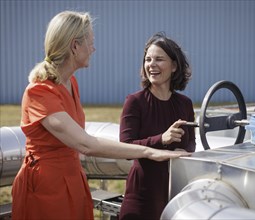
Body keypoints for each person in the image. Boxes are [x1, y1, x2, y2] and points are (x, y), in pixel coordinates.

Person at [11, 11, 191, 220]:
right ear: (74, 46)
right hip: (46, 186)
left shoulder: (70, 84)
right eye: (90, 42)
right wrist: (151, 151)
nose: (93, 48)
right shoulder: (39, 92)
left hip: (72, 179)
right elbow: (86, 144)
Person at [119, 32, 196, 220]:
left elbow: (192, 143)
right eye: (148, 59)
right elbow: (126, 147)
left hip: (176, 193)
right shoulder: (135, 102)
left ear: (174, 66)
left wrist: (183, 149)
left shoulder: (185, 104)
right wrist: (161, 139)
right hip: (142, 196)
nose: (151, 65)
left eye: (159, 59)